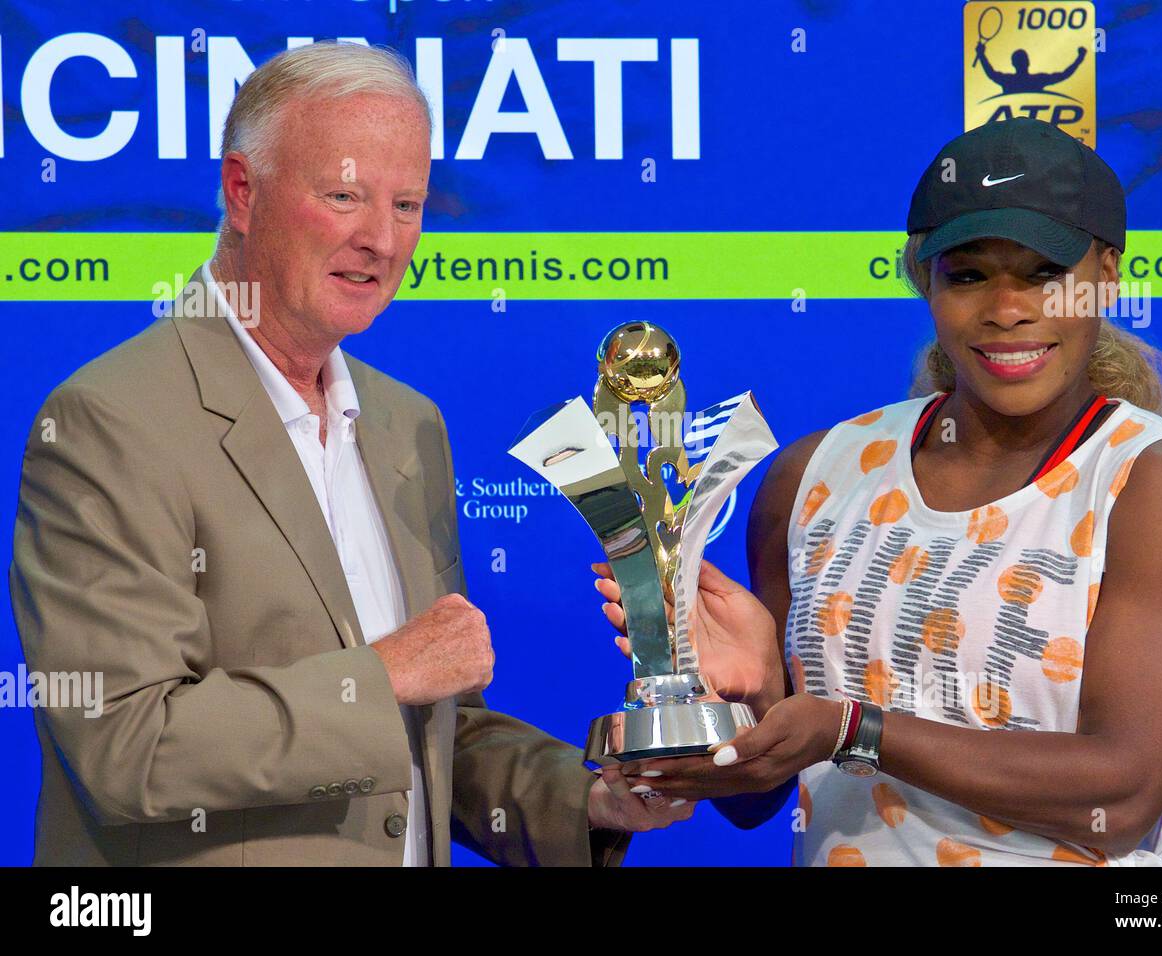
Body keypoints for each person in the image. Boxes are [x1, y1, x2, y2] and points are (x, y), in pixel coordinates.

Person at [11, 41, 690, 867]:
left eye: (407, 205)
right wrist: (382, 675)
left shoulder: (408, 423)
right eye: (343, 196)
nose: (381, 239)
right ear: (242, 192)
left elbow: (432, 728)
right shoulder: (110, 421)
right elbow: (128, 746)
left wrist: (589, 800)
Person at [594, 118, 1162, 866]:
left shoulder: (1154, 484)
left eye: (1044, 274)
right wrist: (756, 700)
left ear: (1107, 275)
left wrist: (852, 729)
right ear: (922, 279)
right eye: (968, 275)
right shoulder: (812, 475)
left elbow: (1121, 801)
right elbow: (759, 798)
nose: (1007, 309)